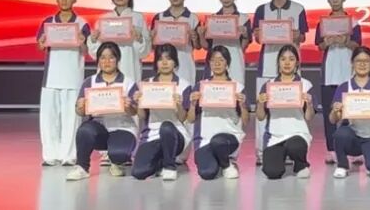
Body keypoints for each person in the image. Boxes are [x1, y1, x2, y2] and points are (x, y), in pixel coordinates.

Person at [252, 0, 309, 165]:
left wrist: (297, 35)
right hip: (267, 65)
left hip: (290, 68)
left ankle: (292, 150)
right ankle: (263, 152)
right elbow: (257, 37)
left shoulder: (298, 9)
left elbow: (303, 36)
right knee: (263, 106)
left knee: (291, 108)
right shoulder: (261, 10)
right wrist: (259, 35)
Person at [66, 42, 138, 181]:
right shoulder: (90, 81)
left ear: (117, 59)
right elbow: (80, 112)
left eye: (111, 57)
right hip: (99, 128)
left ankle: (117, 162)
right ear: (98, 60)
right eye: (103, 58)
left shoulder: (128, 82)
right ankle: (82, 167)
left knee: (120, 154)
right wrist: (80, 107)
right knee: (85, 130)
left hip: (122, 127)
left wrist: (128, 106)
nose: (107, 61)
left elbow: (134, 112)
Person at [37, 0, 91, 167]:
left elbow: (87, 51)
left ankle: (69, 155)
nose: (64, 0)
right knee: (49, 118)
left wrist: (82, 42)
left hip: (73, 77)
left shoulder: (82, 23)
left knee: (71, 118)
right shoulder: (48, 22)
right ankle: (50, 155)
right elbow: (40, 45)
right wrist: (41, 43)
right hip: (51, 78)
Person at [314, 0, 362, 164]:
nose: (335, 0)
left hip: (348, 71)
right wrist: (326, 42)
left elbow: (358, 45)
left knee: (352, 111)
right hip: (329, 73)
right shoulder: (323, 22)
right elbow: (319, 46)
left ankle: (353, 149)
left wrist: (346, 42)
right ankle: (331, 149)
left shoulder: (353, 22)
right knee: (329, 111)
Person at [327, 46, 370, 179]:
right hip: (351, 135)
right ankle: (342, 165)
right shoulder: (344, 87)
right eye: (358, 61)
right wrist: (335, 111)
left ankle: (369, 156)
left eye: (366, 61)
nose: (362, 64)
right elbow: (333, 120)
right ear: (352, 63)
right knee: (340, 134)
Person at [130, 44, 192, 181]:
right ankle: (161, 162)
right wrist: (139, 102)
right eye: (160, 59)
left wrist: (178, 104)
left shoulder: (184, 85)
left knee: (167, 126)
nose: (164, 63)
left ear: (175, 62)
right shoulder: (146, 84)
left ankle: (170, 167)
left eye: (168, 59)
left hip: (176, 134)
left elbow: (183, 118)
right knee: (138, 172)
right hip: (152, 135)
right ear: (156, 63)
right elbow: (142, 116)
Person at [256, 45, 316, 179]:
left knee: (295, 146)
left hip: (297, 133)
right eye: (283, 59)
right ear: (278, 62)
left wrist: (309, 103)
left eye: (291, 59)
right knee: (272, 172)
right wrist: (260, 103)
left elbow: (309, 117)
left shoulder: (305, 84)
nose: (287, 63)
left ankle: (300, 164)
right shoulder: (269, 85)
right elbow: (260, 117)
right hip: (274, 135)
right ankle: (279, 158)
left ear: (297, 63)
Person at [190, 45, 248, 180]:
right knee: (207, 173)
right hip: (205, 139)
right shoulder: (201, 86)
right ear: (209, 63)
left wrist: (242, 105)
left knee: (218, 142)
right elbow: (191, 119)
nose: (217, 63)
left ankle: (227, 165)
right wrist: (192, 104)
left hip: (229, 136)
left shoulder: (237, 87)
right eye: (213, 60)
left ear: (227, 63)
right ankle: (221, 160)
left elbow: (246, 121)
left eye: (221, 60)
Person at [88, 0, 151, 89]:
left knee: (129, 93)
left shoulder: (138, 18)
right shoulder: (103, 19)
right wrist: (93, 40)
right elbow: (96, 53)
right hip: (107, 68)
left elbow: (145, 52)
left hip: (129, 65)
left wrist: (140, 39)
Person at [150, 0, 201, 90]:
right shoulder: (159, 17)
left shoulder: (193, 18)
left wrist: (195, 38)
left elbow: (198, 46)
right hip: (164, 64)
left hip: (185, 65)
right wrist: (151, 38)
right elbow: (153, 47)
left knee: (185, 94)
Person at [198, 0, 250, 87]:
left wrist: (245, 35)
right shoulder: (212, 19)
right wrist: (201, 35)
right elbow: (206, 46)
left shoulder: (243, 18)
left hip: (235, 62)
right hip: (215, 62)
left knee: (236, 91)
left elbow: (243, 47)